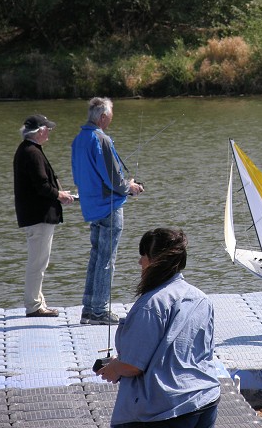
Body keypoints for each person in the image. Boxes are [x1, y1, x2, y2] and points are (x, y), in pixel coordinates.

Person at [96, 228, 221, 428]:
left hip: (165, 410)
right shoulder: (201, 298)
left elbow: (132, 366)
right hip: (206, 397)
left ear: (154, 261)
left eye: (143, 256)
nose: (139, 262)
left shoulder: (151, 304)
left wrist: (114, 368)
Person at [72, 97, 144, 325]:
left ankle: (89, 309)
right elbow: (113, 178)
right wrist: (129, 187)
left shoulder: (79, 139)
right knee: (107, 260)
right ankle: (100, 311)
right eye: (111, 114)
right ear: (103, 117)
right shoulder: (100, 139)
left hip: (92, 205)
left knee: (96, 257)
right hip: (108, 206)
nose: (112, 118)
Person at [14, 114, 75, 317]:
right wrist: (60, 195)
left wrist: (60, 194)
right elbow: (41, 185)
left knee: (40, 261)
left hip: (35, 216)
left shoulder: (28, 150)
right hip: (38, 216)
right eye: (47, 128)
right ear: (39, 131)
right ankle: (33, 306)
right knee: (38, 262)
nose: (49, 131)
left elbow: (42, 183)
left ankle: (38, 302)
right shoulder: (32, 153)